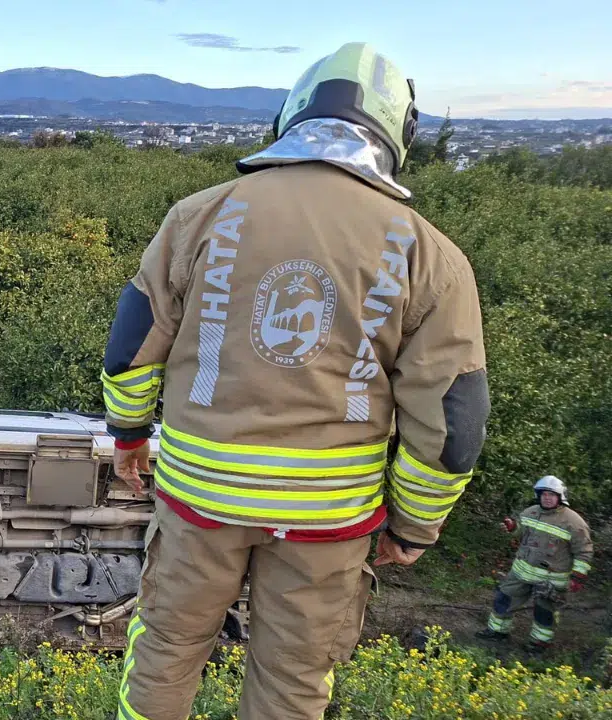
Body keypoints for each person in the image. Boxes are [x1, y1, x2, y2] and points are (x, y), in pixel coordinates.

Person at [102, 42, 491, 720]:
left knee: (165, 654)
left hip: (201, 500)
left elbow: (131, 351)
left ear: (291, 115)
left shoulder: (200, 215)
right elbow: (453, 423)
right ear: (399, 135)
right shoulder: (430, 255)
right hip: (328, 522)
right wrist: (414, 525)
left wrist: (130, 435)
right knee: (294, 684)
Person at [476, 475, 593, 652]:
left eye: (551, 494)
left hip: (550, 579)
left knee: (544, 612)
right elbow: (521, 531)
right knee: (504, 600)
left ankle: (539, 643)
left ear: (560, 497)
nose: (547, 497)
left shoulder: (574, 522)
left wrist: (578, 576)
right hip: (521, 572)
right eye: (543, 494)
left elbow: (584, 551)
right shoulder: (531, 512)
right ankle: (498, 632)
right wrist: (512, 527)